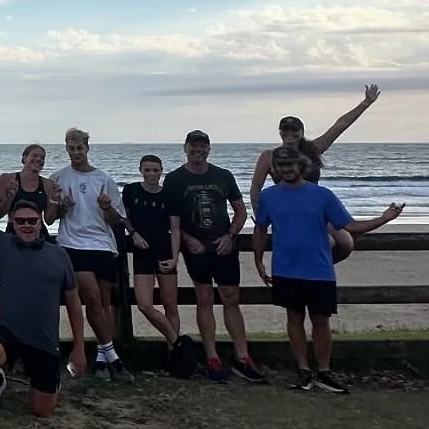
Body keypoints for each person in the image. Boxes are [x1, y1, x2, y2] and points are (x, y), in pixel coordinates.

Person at [0, 153, 85, 420]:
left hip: (44, 341)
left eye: (32, 221)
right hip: (7, 334)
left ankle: (49, 379)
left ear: (40, 222)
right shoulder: (4, 244)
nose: (26, 226)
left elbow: (74, 304)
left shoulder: (58, 255)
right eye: (20, 221)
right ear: (12, 222)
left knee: (41, 411)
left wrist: (78, 347)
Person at [253, 149, 404, 393]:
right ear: (275, 169)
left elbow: (350, 225)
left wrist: (384, 218)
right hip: (285, 269)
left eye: (290, 164)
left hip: (319, 269)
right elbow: (260, 229)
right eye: (281, 165)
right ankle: (303, 371)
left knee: (321, 321)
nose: (286, 169)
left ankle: (324, 372)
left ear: (300, 166)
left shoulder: (323, 195)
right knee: (294, 319)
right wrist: (258, 260)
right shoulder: (268, 197)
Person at [163, 131, 265, 385]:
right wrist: (187, 239)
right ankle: (212, 357)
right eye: (193, 146)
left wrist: (231, 235)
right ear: (185, 148)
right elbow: (171, 219)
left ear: (208, 149)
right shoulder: (174, 179)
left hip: (224, 246)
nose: (198, 150)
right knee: (204, 298)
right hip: (196, 249)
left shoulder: (223, 175)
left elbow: (240, 210)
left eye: (203, 146)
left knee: (231, 298)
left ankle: (243, 357)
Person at [50, 129, 131, 382]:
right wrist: (63, 206)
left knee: (104, 303)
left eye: (79, 148)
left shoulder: (103, 179)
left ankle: (101, 358)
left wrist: (106, 208)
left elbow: (116, 219)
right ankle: (114, 358)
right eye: (71, 148)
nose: (75, 153)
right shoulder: (58, 177)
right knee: (92, 297)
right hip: (73, 245)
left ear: (87, 148)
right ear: (66, 148)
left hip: (102, 245)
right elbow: (50, 218)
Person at [249, 84, 382, 208]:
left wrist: (366, 103)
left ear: (302, 132)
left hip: (315, 208)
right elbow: (255, 188)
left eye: (294, 130)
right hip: (286, 210)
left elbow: (339, 126)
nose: (290, 133)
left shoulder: (313, 148)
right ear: (280, 132)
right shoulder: (269, 156)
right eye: (285, 130)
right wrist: (259, 216)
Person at [121, 154, 182, 348]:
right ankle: (177, 343)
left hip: (165, 251)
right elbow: (124, 217)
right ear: (140, 171)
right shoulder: (131, 190)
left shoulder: (170, 195)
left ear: (161, 171)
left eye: (156, 170)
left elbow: (175, 229)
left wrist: (175, 258)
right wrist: (133, 234)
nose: (152, 174)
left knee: (170, 305)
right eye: (147, 170)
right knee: (144, 305)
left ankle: (173, 352)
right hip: (142, 253)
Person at [0, 145, 60, 223]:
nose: (39, 159)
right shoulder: (7, 179)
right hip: (14, 229)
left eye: (42, 158)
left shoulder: (48, 184)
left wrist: (54, 203)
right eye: (34, 155)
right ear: (24, 158)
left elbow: (49, 221)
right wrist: (10, 197)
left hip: (38, 229)